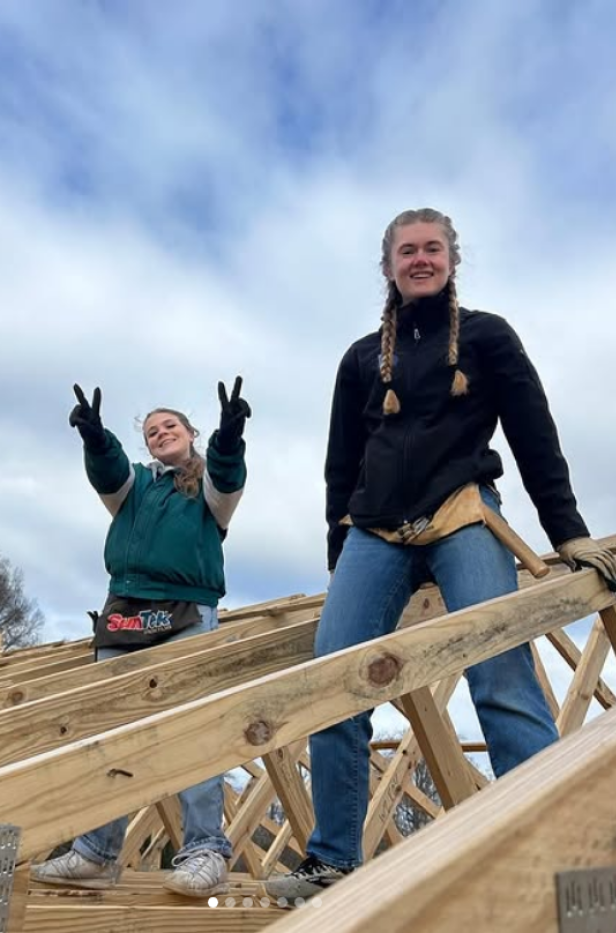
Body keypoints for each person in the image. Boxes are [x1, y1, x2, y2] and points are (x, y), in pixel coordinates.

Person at [266, 207, 616, 901]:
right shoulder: (363, 357)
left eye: (432, 248)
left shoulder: (486, 336)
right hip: (376, 528)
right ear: (388, 265)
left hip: (463, 511)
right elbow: (342, 459)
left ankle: (556, 855)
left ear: (452, 259)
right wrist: (341, 549)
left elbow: (532, 430)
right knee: (337, 677)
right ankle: (333, 855)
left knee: (500, 671)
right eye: (406, 251)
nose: (420, 259)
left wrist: (567, 529)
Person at [31, 377, 251, 896]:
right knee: (112, 732)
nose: (160, 433)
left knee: (193, 727)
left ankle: (204, 850)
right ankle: (94, 853)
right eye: (151, 431)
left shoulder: (209, 492)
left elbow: (226, 469)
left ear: (191, 433)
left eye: (169, 425)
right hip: (126, 611)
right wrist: (95, 437)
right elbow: (107, 471)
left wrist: (229, 437)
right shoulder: (134, 486)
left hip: (185, 611)